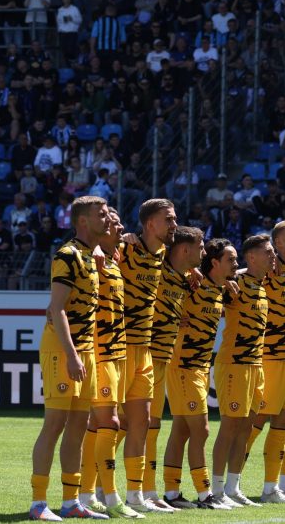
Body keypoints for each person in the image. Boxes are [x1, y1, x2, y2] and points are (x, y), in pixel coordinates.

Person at [28, 195, 110, 521]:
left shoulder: (91, 256)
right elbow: (57, 308)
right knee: (55, 425)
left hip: (85, 351)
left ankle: (71, 502)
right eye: (101, 214)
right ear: (83, 221)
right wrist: (72, 355)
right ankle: (38, 503)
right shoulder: (67, 255)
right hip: (63, 350)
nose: (107, 218)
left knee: (78, 428)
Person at [161, 238, 236, 511]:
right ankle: (205, 495)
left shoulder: (220, 288)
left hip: (200, 367)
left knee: (181, 429)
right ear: (214, 263)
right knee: (201, 430)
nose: (236, 264)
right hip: (183, 365)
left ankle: (171, 493)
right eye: (230, 260)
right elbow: (163, 279)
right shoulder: (192, 283)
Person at [77, 208, 141, 519]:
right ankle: (110, 497)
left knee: (108, 423)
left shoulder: (115, 259)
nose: (119, 227)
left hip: (118, 352)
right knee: (109, 422)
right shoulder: (90, 257)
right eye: (113, 223)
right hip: (100, 352)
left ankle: (87, 494)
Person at [242, 220, 285, 505]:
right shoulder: (269, 269)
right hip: (270, 357)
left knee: (283, 424)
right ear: (278, 243)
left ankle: (271, 488)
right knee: (256, 423)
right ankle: (230, 484)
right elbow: (243, 274)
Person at [118, 199, 174, 513]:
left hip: (145, 349)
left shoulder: (162, 253)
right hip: (119, 347)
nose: (174, 224)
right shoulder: (125, 249)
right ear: (150, 224)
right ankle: (91, 490)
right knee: (108, 423)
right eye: (169, 219)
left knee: (142, 422)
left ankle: (135, 494)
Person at [212, 234, 275, 506]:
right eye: (268, 252)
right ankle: (216, 490)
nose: (273, 257)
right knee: (229, 427)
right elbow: (207, 286)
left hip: (255, 365)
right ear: (252, 257)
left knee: (246, 428)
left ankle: (232, 488)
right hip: (234, 364)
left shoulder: (262, 285)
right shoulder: (235, 282)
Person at [143, 226, 202, 509]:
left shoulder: (186, 278)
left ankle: (147, 492)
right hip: (140, 354)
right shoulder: (155, 265)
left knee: (151, 427)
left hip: (161, 358)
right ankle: (92, 491)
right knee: (119, 425)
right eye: (200, 247)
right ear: (184, 250)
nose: (204, 252)